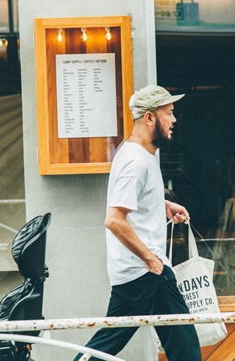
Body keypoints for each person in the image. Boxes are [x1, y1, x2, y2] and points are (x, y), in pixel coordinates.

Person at [74, 85, 202, 361]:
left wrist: (162, 205)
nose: (174, 120)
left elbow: (132, 202)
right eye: (169, 113)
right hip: (147, 273)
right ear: (149, 118)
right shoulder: (135, 161)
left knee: (105, 347)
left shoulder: (141, 153)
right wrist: (151, 260)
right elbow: (114, 220)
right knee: (186, 351)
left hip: (137, 274)